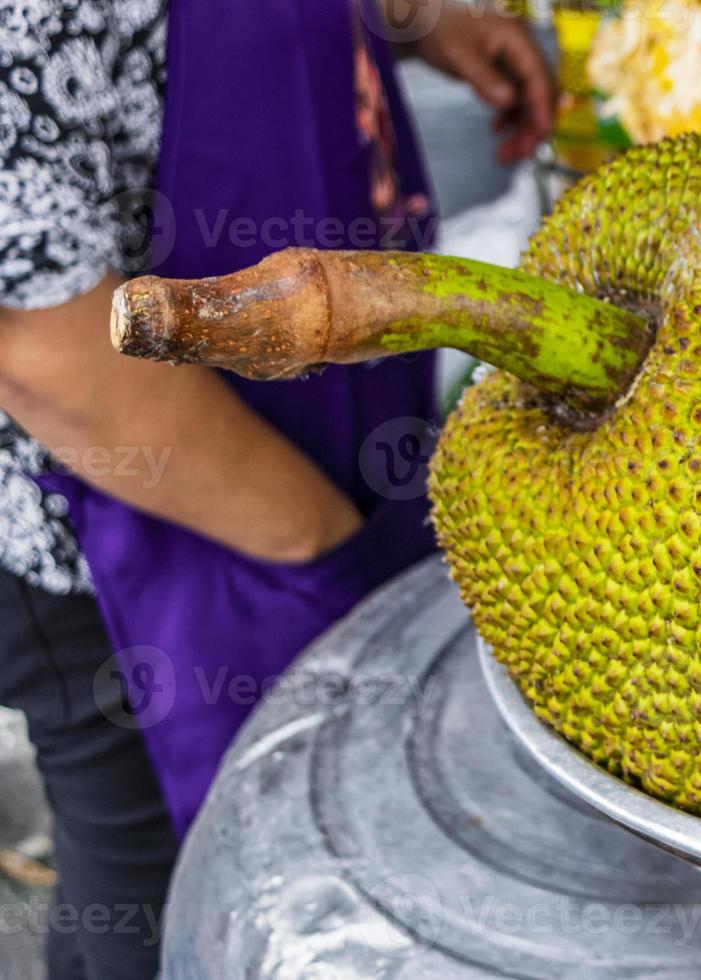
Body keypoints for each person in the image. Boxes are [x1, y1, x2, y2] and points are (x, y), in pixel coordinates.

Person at [0, 1, 553, 977]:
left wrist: (410, 19)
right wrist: (320, 544)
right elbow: (46, 348)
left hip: (337, 439)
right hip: (117, 514)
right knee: (168, 882)